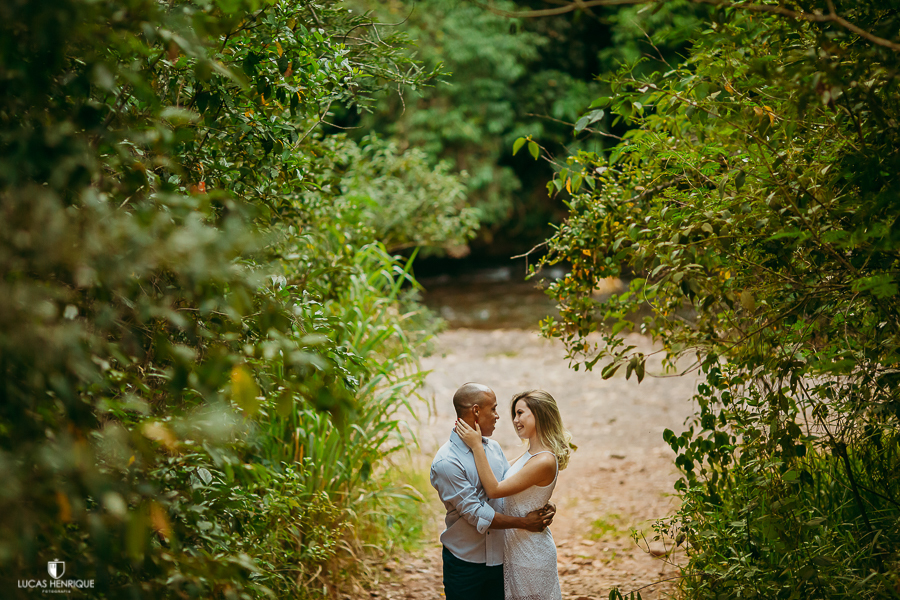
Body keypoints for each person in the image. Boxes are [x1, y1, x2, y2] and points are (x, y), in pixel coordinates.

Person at [431, 383, 556, 600]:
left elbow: (513, 488)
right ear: (476, 411)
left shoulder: (494, 449)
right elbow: (476, 514)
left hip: (502, 560)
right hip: (465, 563)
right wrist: (524, 522)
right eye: (494, 409)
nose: (498, 416)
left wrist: (541, 502)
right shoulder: (447, 462)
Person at [455, 389, 573, 600]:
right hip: (517, 548)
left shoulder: (544, 460)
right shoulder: (530, 455)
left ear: (540, 414)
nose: (515, 420)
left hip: (531, 553)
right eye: (514, 414)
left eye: (520, 413)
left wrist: (476, 446)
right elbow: (502, 477)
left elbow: (494, 489)